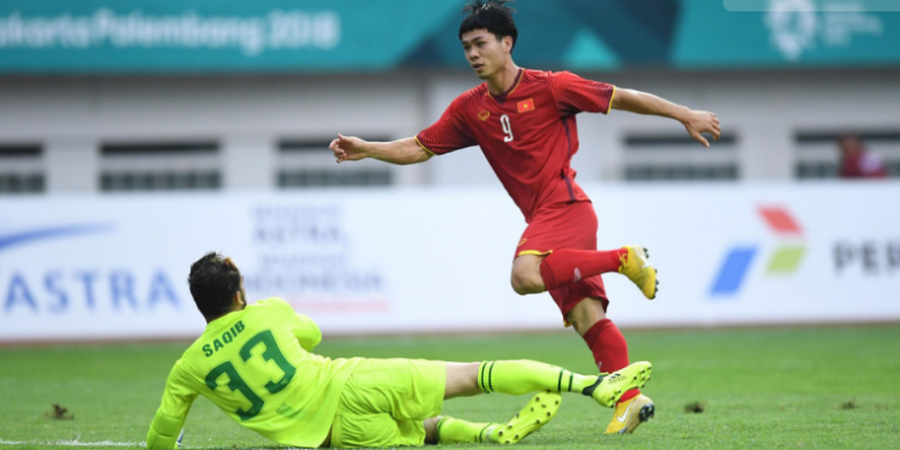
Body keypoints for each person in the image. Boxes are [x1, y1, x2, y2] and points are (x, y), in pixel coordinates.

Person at [328, 0, 719, 434]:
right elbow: (419, 147)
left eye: (480, 44)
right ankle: (629, 399)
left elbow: (621, 97)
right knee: (587, 317)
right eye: (465, 48)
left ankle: (624, 258)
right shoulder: (469, 109)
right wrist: (368, 148)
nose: (473, 54)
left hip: (565, 204)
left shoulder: (552, 87)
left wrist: (685, 113)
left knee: (524, 276)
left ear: (507, 42)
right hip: (547, 215)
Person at [146, 252, 653, 449]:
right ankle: (595, 385)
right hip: (358, 378)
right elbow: (313, 336)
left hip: (333, 437)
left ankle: (490, 436)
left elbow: (162, 435)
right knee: (473, 375)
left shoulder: (188, 368)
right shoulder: (266, 310)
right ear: (238, 294)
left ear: (198, 305)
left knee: (422, 435)